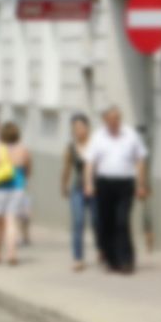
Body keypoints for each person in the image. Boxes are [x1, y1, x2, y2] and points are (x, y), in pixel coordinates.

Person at [85, 105, 148, 274]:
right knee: (106, 221)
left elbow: (140, 159)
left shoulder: (130, 135)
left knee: (122, 221)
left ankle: (126, 260)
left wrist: (141, 185)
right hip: (104, 183)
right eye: (111, 119)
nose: (114, 122)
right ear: (106, 120)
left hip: (125, 184)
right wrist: (89, 184)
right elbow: (90, 162)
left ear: (120, 119)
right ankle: (112, 259)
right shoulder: (98, 137)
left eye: (117, 119)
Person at [0, 121, 31, 266]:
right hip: (17, 189)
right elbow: (28, 171)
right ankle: (11, 254)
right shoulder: (24, 151)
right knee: (11, 221)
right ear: (18, 135)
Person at [61, 112, 95, 270]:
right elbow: (66, 168)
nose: (78, 130)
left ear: (87, 128)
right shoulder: (71, 147)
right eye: (75, 128)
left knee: (97, 222)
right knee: (78, 221)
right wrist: (64, 185)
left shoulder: (96, 145)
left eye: (81, 127)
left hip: (96, 189)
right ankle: (78, 258)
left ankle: (103, 250)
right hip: (78, 189)